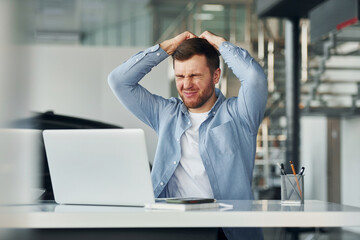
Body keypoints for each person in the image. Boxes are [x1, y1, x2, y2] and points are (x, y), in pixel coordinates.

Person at [108, 31, 267, 240]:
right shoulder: (165, 113)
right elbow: (119, 81)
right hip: (172, 228)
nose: (186, 84)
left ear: (216, 76)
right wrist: (168, 47)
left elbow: (254, 79)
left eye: (195, 75)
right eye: (180, 76)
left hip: (226, 231)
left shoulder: (239, 114)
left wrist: (220, 45)